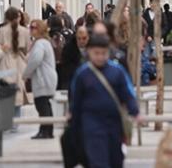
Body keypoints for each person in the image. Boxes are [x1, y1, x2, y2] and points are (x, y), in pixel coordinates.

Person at [69, 34, 140, 168]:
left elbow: (126, 93)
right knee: (98, 161)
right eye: (97, 53)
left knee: (116, 160)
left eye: (104, 53)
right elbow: (76, 100)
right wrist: (74, 123)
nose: (100, 57)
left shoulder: (117, 71)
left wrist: (135, 111)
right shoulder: (82, 74)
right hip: (91, 124)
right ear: (89, 52)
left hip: (114, 123)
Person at [0, 7, 31, 128]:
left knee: (5, 92)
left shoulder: (0, 30)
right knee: (18, 93)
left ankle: (7, 122)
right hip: (19, 62)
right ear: (18, 17)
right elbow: (27, 49)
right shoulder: (25, 31)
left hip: (4, 63)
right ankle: (16, 123)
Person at [23, 19, 58, 139]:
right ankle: (46, 130)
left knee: (42, 105)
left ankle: (45, 131)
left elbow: (35, 60)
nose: (31, 30)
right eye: (31, 27)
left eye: (34, 28)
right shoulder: (42, 42)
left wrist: (26, 73)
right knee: (44, 105)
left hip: (43, 78)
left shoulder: (41, 43)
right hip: (45, 78)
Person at [60, 25, 89, 90]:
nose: (81, 41)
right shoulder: (69, 49)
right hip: (73, 79)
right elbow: (67, 68)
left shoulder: (93, 48)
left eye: (84, 38)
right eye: (79, 38)